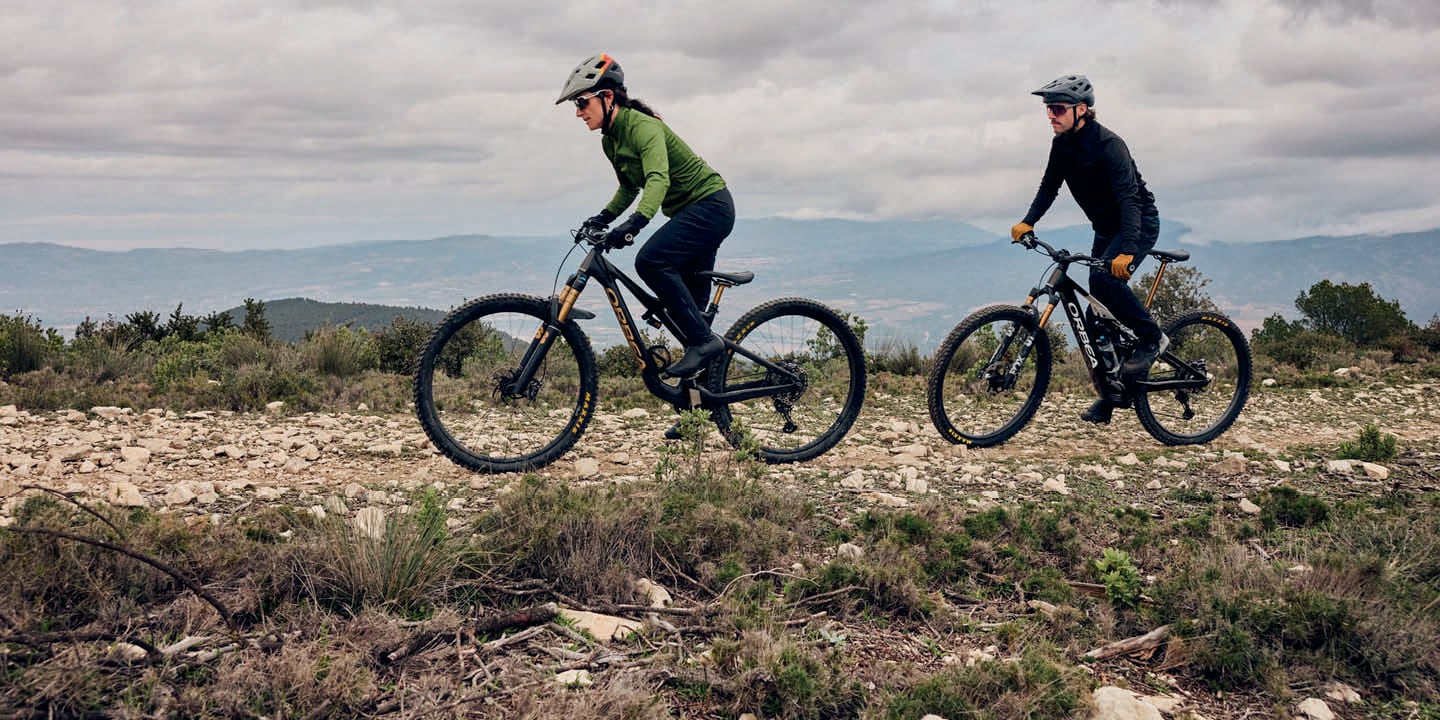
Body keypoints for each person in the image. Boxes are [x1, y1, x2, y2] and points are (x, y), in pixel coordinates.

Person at [557, 54, 735, 386]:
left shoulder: (643, 127)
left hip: (711, 206)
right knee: (688, 319)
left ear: (607, 97)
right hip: (689, 213)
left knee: (651, 261)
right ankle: (699, 400)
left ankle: (705, 343)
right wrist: (602, 218)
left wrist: (636, 222)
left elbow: (657, 178)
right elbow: (629, 187)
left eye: (582, 102)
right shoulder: (611, 140)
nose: (578, 112)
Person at [1010, 74, 1166, 425]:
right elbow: (1049, 186)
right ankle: (1113, 393)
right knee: (1097, 311)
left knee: (1104, 283)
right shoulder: (1062, 145)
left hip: (1138, 224)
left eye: (1057, 108)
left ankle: (1152, 338)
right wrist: (1028, 221)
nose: (1050, 115)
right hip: (1106, 228)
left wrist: (1127, 251)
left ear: (1081, 110)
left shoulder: (1109, 145)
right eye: (1048, 109)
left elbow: (1130, 200)